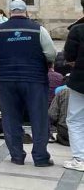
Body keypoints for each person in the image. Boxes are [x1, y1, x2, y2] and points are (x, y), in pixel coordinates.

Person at [0, 0, 56, 167]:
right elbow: (51, 54)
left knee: (10, 118)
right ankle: (40, 158)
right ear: (26, 12)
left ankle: (17, 156)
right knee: (39, 118)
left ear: (10, 12)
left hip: (7, 79)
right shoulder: (39, 29)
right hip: (34, 79)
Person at [62, 12, 84, 170]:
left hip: (81, 81)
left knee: (75, 119)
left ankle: (80, 158)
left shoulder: (78, 29)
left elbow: (69, 56)